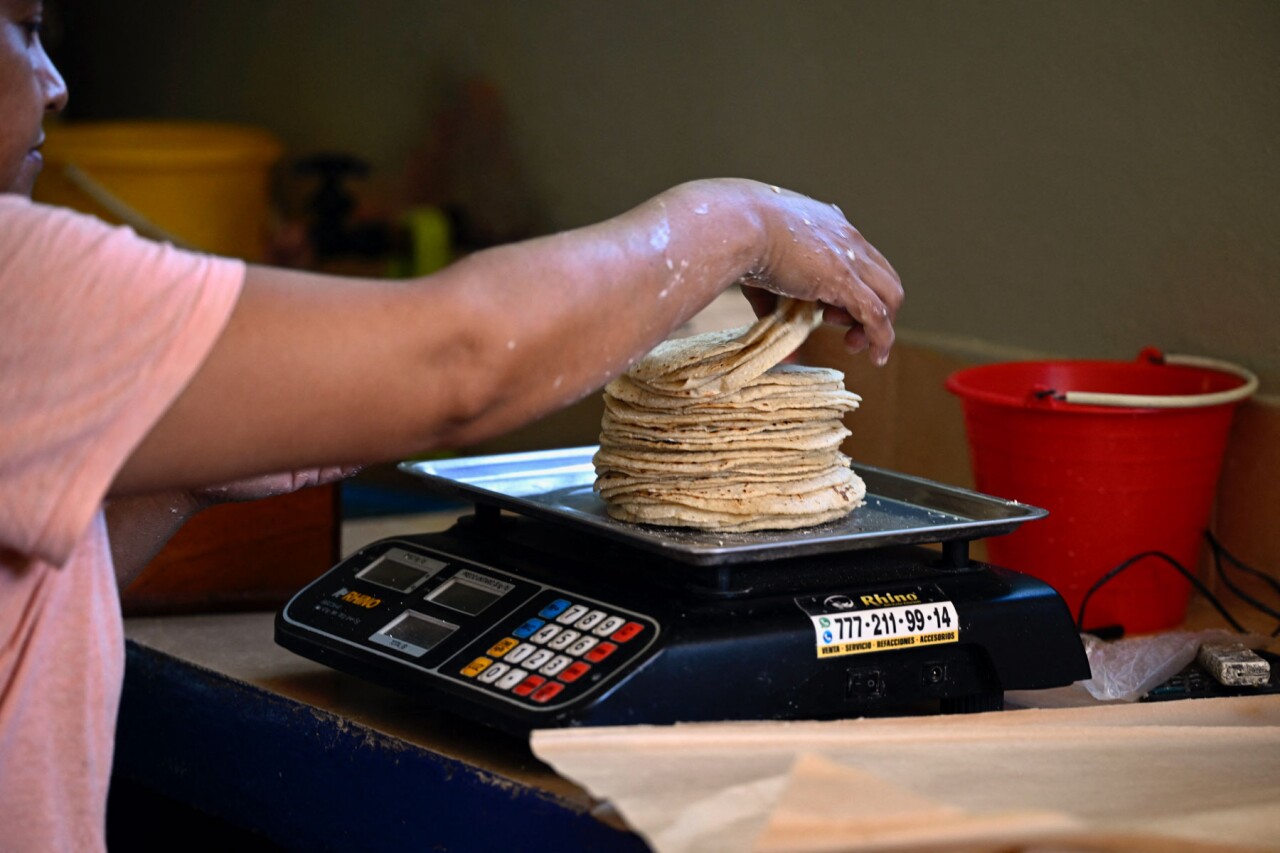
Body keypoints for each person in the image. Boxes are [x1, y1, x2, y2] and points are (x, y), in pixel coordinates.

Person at [0, 1, 903, 849]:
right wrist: (734, 223)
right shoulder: (21, 280)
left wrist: (180, 474)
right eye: (22, 26)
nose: (55, 81)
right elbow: (464, 358)